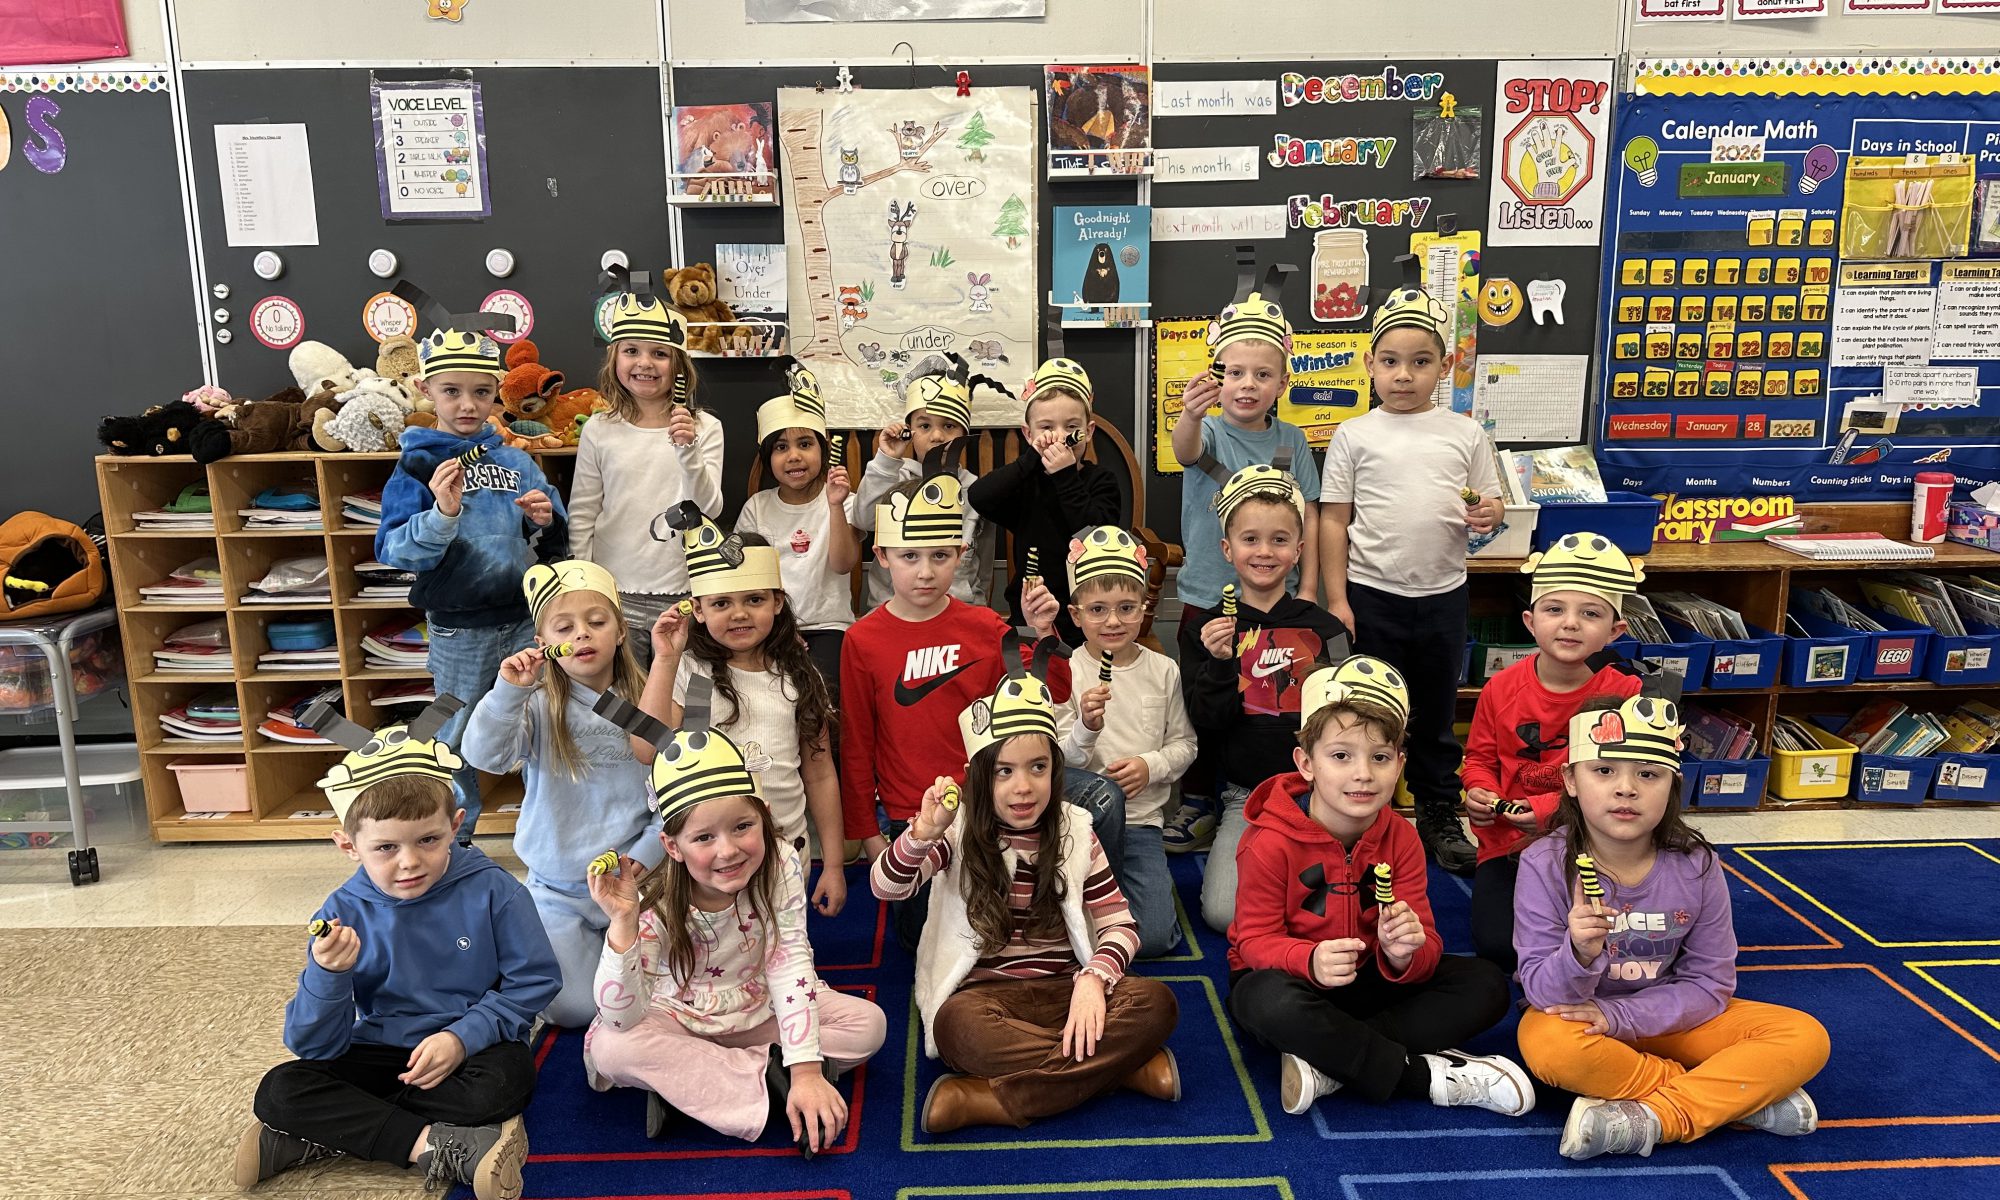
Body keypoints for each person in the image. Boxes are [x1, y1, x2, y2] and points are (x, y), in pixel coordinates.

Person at [235, 699, 559, 1199]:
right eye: (386, 848)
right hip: (380, 1049)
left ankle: (325, 1137)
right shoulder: (340, 909)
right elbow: (313, 1045)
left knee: (502, 1088)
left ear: (455, 824)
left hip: (473, 1050)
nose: (410, 862)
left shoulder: (494, 889)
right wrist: (328, 975)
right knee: (280, 1089)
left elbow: (534, 981)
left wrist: (461, 1037)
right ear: (348, 846)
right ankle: (435, 1146)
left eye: (428, 839)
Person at [1514, 693, 1829, 1160]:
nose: (1626, 789)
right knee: (1545, 1044)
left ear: (1672, 784)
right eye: (1604, 771)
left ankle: (1657, 1119)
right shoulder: (1542, 862)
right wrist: (1578, 952)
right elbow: (1541, 990)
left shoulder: (1697, 865)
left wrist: (1624, 1016)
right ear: (1571, 781)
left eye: (1648, 774)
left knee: (1804, 1036)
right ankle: (1732, 1101)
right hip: (1580, 1021)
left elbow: (1711, 981)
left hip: (1668, 1015)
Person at [871, 666, 1179, 1134]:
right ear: (979, 776)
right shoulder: (957, 830)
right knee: (956, 1029)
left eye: (1038, 767)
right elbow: (886, 887)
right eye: (1005, 772)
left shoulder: (1076, 829)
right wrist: (921, 833)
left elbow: (1120, 924)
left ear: (1056, 771)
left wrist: (1094, 981)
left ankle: (987, 1099)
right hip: (988, 1002)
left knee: (1158, 1002)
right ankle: (1120, 1070)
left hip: (1070, 992)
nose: (1023, 786)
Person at [583, 680, 886, 1153]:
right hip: (678, 1015)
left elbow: (789, 964)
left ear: (763, 815)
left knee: (869, 1026)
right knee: (611, 1049)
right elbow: (620, 1019)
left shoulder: (782, 862)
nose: (728, 851)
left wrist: (805, 1068)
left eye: (743, 827)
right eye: (703, 838)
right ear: (672, 847)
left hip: (757, 1007)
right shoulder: (653, 899)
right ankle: (764, 1079)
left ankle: (697, 1085)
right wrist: (621, 926)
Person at [841, 454, 1124, 953]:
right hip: (926, 814)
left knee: (1104, 798)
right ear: (881, 555)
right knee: (923, 940)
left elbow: (1054, 690)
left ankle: (1082, 909)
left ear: (962, 552)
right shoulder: (863, 641)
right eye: (909, 557)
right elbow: (858, 744)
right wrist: (869, 836)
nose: (925, 572)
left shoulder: (985, 626)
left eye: (940, 556)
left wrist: (1043, 631)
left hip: (998, 797)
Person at [1226, 660, 1532, 1120]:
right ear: (1306, 764)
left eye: (1380, 757)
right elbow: (1251, 941)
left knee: (1487, 985)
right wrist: (1307, 959)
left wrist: (1404, 954)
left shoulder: (1402, 837)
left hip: (1374, 979)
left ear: (1400, 765)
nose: (1363, 774)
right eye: (1341, 756)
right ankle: (1419, 1075)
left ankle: (1332, 1061)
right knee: (1262, 1000)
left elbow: (1427, 944)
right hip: (1297, 978)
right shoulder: (1268, 841)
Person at [1319, 286, 1506, 876]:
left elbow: (1493, 501)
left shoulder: (1464, 433)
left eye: (1421, 362)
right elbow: (1333, 519)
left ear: (1444, 367)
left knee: (1433, 707)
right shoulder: (1355, 435)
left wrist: (1490, 514)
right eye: (1391, 362)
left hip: (1443, 595)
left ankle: (1436, 808)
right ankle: (1368, 811)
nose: (1405, 375)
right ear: (1370, 366)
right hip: (1373, 597)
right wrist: (1337, 599)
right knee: (1372, 711)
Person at [378, 301, 566, 840]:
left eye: (481, 391)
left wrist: (543, 519)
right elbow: (395, 551)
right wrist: (441, 516)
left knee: (540, 726)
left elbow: (553, 539)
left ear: (498, 393)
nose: (468, 404)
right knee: (453, 734)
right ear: (425, 389)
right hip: (460, 628)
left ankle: (548, 833)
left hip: (524, 619)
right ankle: (452, 841)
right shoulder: (416, 464)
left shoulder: (514, 459)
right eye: (452, 391)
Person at [461, 560, 662, 1027]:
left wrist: (644, 858)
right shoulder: (535, 706)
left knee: (658, 995)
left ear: (619, 632)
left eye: (597, 622)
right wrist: (508, 691)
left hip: (641, 884)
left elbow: (673, 798)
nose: (584, 634)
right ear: (544, 644)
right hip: (558, 892)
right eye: (566, 627)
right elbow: (482, 755)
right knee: (575, 1010)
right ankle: (511, 945)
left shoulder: (649, 701)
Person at [1164, 269, 1321, 854]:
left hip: (1273, 603)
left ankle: (1263, 786)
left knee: (1264, 699)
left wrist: (1308, 591)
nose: (1247, 385)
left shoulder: (1292, 443)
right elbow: (1183, 451)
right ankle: (1200, 798)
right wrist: (1187, 413)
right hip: (1205, 594)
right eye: (1234, 374)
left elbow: (1307, 513)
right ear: (1217, 378)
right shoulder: (1202, 432)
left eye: (1262, 374)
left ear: (1282, 381)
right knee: (1203, 701)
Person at [633, 504, 847, 916]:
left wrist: (834, 864)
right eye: (721, 603)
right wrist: (665, 659)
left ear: (777, 602)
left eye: (753, 599)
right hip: (711, 862)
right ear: (697, 610)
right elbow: (647, 750)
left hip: (784, 852)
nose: (739, 613)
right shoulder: (693, 674)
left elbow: (819, 773)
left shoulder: (799, 677)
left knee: (784, 960)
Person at [1460, 535, 1645, 970]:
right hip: (1510, 845)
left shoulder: (1627, 695)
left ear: (1615, 631)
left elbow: (1626, 780)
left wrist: (1548, 809)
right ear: (1530, 620)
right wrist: (1480, 793)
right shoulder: (1501, 687)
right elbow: (1480, 759)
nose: (1570, 624)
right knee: (1499, 947)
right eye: (1554, 609)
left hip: (1595, 842)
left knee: (1614, 938)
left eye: (1591, 613)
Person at [1179, 466, 1350, 933]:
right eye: (1250, 539)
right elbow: (1206, 722)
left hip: (1318, 793)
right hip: (1244, 795)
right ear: (1227, 550)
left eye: (1279, 540)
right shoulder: (1206, 629)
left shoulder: (1325, 629)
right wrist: (1219, 662)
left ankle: (1300, 882)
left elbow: (1346, 720)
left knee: (1333, 915)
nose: (1264, 552)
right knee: (1222, 913)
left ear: (1298, 552)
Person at [1054, 526, 1197, 956]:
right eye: (1097, 609)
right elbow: (1055, 761)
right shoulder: (1066, 671)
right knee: (1061, 929)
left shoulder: (1164, 669)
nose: (1113, 621)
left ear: (1143, 609)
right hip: (1078, 827)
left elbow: (1185, 745)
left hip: (1139, 826)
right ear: (1076, 615)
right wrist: (1085, 727)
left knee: (1154, 938)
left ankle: (1105, 916)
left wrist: (1150, 765)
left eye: (1126, 608)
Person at [568, 275, 725, 664]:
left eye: (659, 353)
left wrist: (687, 448)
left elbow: (709, 508)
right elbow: (583, 513)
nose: (644, 363)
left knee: (683, 704)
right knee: (627, 706)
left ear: (678, 364)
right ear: (615, 359)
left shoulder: (706, 427)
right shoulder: (600, 431)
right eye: (631, 351)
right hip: (615, 591)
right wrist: (584, 585)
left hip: (685, 589)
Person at [967, 353, 1124, 646]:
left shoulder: (1101, 481)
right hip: (1030, 610)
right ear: (1029, 434)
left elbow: (1095, 535)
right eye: (1047, 428)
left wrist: (1065, 476)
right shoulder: (1027, 483)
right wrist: (1031, 459)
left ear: (1088, 432)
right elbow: (979, 497)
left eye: (1071, 427)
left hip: (1091, 614)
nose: (1060, 437)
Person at [736, 361, 859, 699]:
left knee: (825, 698)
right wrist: (777, 628)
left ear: (822, 449)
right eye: (781, 447)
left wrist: (835, 505)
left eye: (805, 444)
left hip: (829, 627)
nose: (794, 456)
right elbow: (747, 576)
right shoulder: (758, 508)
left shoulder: (844, 501)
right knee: (764, 694)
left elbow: (843, 563)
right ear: (767, 458)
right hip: (768, 626)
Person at [854, 353, 1005, 609]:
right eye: (924, 426)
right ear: (909, 430)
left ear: (963, 433)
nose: (937, 436)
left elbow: (984, 558)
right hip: (891, 608)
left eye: (949, 426)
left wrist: (978, 604)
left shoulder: (975, 490)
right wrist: (886, 461)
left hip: (958, 608)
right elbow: (864, 520)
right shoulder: (895, 476)